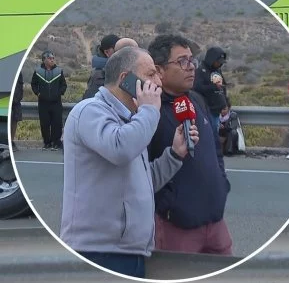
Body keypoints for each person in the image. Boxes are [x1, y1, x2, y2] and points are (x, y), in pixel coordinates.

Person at [59, 46, 199, 279]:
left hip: (131, 251)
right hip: (98, 251)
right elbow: (119, 149)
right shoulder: (90, 111)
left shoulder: (132, 120)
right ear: (126, 79)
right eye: (151, 74)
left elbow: (144, 182)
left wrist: (175, 154)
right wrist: (150, 111)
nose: (159, 81)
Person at [148, 34, 233, 255]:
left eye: (191, 60)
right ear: (159, 70)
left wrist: (222, 184)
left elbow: (215, 148)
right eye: (182, 61)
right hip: (176, 227)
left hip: (215, 222)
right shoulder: (149, 111)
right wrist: (168, 204)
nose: (191, 67)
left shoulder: (196, 100)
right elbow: (143, 171)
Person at [31, 51, 67, 150]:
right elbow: (33, 84)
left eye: (53, 58)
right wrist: (38, 93)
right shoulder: (38, 71)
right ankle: (47, 143)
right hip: (43, 103)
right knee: (44, 124)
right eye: (50, 58)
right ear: (44, 60)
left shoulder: (59, 71)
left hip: (56, 103)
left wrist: (59, 93)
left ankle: (56, 143)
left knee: (57, 123)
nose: (52, 60)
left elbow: (64, 85)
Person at [193, 46, 229, 134]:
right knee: (211, 135)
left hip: (219, 111)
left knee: (219, 135)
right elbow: (196, 88)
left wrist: (226, 104)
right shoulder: (200, 71)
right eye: (218, 62)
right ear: (211, 59)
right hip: (208, 111)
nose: (219, 64)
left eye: (221, 62)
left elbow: (223, 88)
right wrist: (213, 87)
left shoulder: (218, 71)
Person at [81, 34, 120, 100]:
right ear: (107, 52)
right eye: (116, 50)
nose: (119, 52)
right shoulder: (99, 74)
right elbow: (92, 99)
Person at [10, 72, 23, 152]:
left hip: (16, 100)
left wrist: (18, 97)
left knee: (15, 120)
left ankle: (11, 141)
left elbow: (20, 85)